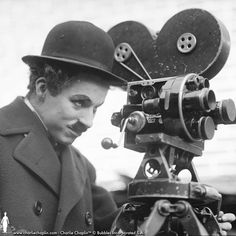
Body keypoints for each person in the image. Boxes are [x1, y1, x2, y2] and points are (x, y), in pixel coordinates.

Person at [0, 20, 234, 235]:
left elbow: (114, 227)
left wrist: (184, 222)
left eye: (96, 108)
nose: (88, 121)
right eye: (79, 103)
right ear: (42, 88)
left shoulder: (81, 169)